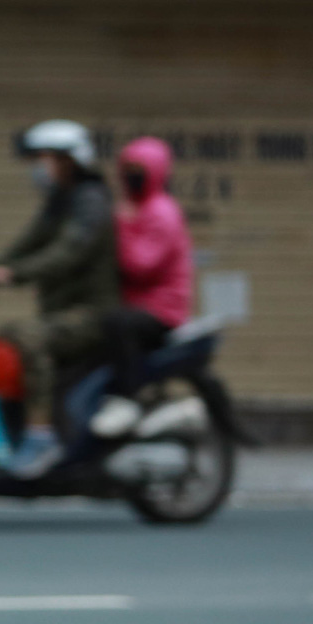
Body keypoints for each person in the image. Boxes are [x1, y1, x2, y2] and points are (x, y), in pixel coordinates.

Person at [0, 119, 119, 476]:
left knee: (27, 334)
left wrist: (10, 274)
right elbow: (26, 244)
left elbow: (68, 252)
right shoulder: (59, 202)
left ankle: (41, 435)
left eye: (41, 158)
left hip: (91, 314)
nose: (35, 168)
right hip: (64, 310)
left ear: (67, 160)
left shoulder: (91, 201)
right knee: (2, 337)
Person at [90, 135, 194, 437]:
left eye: (138, 169)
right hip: (143, 304)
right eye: (127, 168)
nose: (130, 175)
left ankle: (127, 401)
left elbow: (139, 265)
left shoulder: (161, 211)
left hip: (162, 309)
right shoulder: (135, 207)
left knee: (117, 324)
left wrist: (121, 224)